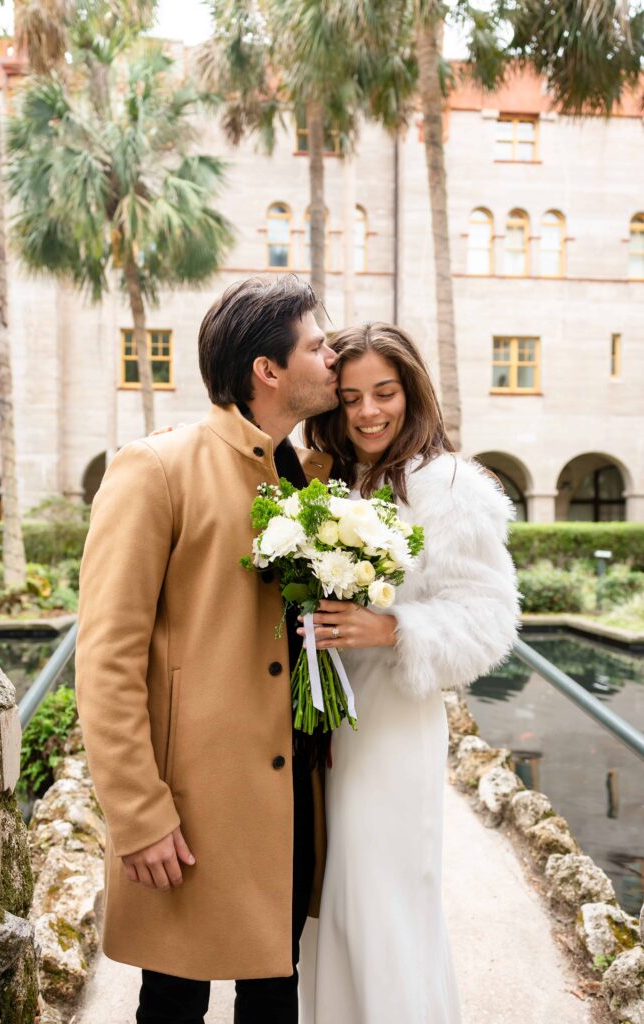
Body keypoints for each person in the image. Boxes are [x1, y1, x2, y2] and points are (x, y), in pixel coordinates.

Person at [75, 275, 338, 1024]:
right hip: (188, 805)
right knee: (172, 1001)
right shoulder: (155, 468)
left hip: (289, 792)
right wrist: (136, 812)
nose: (332, 358)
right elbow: (106, 656)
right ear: (268, 369)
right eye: (317, 346)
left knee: (273, 990)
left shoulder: (306, 475)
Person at [299, 323, 520, 1024]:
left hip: (393, 718)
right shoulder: (328, 479)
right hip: (324, 717)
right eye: (352, 396)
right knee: (329, 901)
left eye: (384, 393)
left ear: (411, 391)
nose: (368, 412)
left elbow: (489, 619)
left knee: (380, 893)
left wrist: (395, 629)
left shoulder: (451, 484)